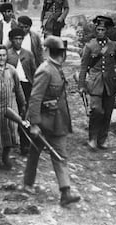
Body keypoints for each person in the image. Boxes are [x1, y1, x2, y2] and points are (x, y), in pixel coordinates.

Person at [23, 36, 81, 207]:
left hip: (57, 121)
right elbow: (35, 97)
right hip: (42, 121)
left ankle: (65, 192)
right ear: (62, 54)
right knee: (34, 152)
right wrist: (34, 123)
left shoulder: (57, 68)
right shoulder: (45, 70)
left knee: (60, 154)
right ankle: (27, 183)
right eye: (61, 53)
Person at [78, 16, 116, 150]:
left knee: (107, 113)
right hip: (95, 84)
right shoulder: (89, 46)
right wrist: (81, 85)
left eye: (103, 30)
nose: (100, 32)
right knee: (97, 110)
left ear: (107, 31)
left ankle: (102, 139)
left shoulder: (114, 45)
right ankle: (92, 138)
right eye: (98, 29)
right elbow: (83, 67)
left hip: (110, 84)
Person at [6, 28, 37, 155]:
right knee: (13, 113)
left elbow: (34, 71)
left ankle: (25, 144)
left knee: (25, 114)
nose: (18, 41)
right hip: (12, 87)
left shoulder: (28, 54)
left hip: (26, 86)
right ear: (11, 40)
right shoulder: (7, 54)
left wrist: (35, 85)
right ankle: (11, 141)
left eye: (20, 39)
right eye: (15, 39)